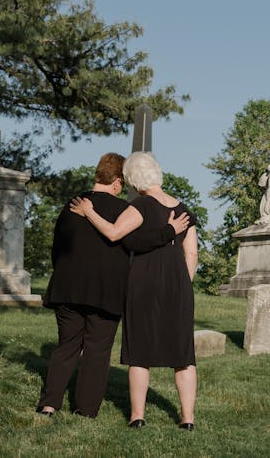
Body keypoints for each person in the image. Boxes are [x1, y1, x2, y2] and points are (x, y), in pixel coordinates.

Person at [37, 152, 188, 417]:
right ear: (118, 182)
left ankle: (49, 404)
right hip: (106, 292)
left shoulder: (73, 205)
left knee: (66, 345)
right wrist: (168, 233)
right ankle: (86, 410)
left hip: (68, 286)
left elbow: (57, 247)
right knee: (97, 349)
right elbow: (136, 245)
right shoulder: (123, 211)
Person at [70, 152, 199, 430]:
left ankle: (137, 416)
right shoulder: (184, 210)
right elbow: (192, 254)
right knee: (184, 355)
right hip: (179, 288)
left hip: (143, 284)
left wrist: (90, 212)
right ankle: (187, 419)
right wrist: (181, 284)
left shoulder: (141, 205)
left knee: (139, 352)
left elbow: (114, 233)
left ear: (133, 180)